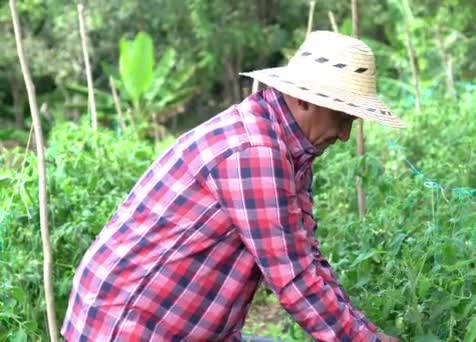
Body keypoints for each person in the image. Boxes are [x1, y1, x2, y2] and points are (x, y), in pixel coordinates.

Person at [62, 30, 404, 341]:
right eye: (342, 118)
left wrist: (368, 334)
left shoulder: (289, 150)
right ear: (305, 101)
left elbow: (307, 258)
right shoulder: (256, 152)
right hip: (129, 327)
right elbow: (295, 280)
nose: (345, 135)